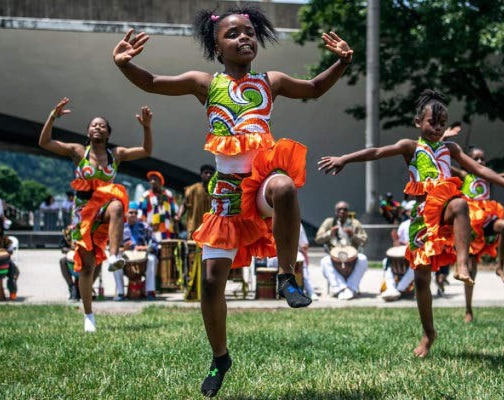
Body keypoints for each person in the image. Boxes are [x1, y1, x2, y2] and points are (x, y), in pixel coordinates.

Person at [113, 5, 352, 396]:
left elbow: (313, 89)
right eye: (233, 34)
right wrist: (125, 65)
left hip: (261, 182)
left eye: (249, 32)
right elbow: (153, 81)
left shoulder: (269, 82)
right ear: (217, 48)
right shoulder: (204, 83)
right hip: (226, 193)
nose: (244, 38)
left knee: (286, 188)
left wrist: (341, 62)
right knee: (210, 284)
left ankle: (287, 276)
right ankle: (220, 357)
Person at [318, 89, 504, 357]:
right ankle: (429, 332)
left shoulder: (451, 148)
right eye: (431, 122)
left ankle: (461, 264)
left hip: (446, 208)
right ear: (418, 123)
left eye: (441, 124)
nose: (436, 128)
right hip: (422, 217)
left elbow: (480, 170)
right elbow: (376, 151)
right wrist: (344, 159)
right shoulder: (410, 147)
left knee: (459, 203)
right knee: (422, 279)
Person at [38, 97, 152, 332]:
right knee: (87, 267)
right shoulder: (78, 151)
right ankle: (88, 315)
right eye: (93, 125)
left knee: (118, 206)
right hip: (83, 212)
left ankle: (113, 255)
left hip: (104, 206)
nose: (97, 127)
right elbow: (45, 142)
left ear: (108, 133)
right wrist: (52, 116)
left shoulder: (117, 154)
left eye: (102, 125)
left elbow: (146, 151)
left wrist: (146, 127)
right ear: (88, 132)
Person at [445, 130, 504, 322]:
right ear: (468, 161)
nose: (481, 163)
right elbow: (444, 163)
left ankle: (500, 266)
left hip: (487, 217)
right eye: (477, 159)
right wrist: (445, 139)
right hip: (470, 222)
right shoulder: (465, 175)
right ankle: (468, 309)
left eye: (483, 160)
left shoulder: (488, 176)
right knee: (471, 270)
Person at [315, 201, 368, 300]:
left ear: (348, 212)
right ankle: (340, 288)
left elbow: (365, 241)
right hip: (334, 256)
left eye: (345, 209)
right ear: (336, 211)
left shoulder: (355, 223)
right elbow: (318, 239)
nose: (342, 211)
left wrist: (353, 235)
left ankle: (351, 288)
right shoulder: (329, 222)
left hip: (352, 257)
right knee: (325, 261)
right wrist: (330, 233)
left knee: (363, 259)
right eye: (339, 209)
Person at [113, 201, 159, 301]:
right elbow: (113, 249)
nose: (134, 215)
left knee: (152, 259)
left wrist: (144, 248)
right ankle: (120, 293)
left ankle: (150, 291)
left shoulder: (145, 227)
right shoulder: (119, 228)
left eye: (136, 213)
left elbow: (155, 244)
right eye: (131, 212)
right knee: (115, 260)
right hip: (126, 260)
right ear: (125, 213)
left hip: (143, 258)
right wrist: (123, 249)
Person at [380, 200, 416, 301]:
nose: (413, 212)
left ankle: (398, 289)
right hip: (404, 253)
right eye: (410, 210)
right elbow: (398, 243)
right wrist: (396, 241)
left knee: (415, 266)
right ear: (407, 212)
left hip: (419, 255)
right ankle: (391, 288)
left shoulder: (425, 224)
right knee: (386, 262)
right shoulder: (404, 225)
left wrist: (410, 245)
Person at [177, 164, 215, 239]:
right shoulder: (193, 189)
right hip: (194, 228)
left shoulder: (215, 191)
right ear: (201, 174)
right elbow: (184, 204)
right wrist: (178, 216)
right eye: (206, 173)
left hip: (210, 229)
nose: (208, 175)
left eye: (211, 173)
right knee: (192, 249)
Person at [139, 171, 178, 240]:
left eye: (155, 179)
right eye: (151, 179)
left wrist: (175, 221)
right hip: (153, 230)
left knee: (167, 249)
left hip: (167, 229)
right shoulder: (145, 195)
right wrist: (145, 227)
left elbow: (173, 211)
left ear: (160, 181)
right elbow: (142, 213)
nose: (152, 181)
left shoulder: (168, 194)